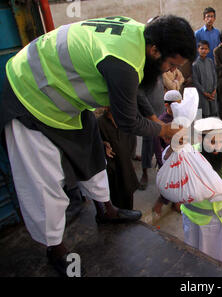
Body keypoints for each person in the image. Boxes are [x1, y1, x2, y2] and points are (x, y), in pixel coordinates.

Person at [0, 15, 196, 276]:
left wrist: (152, 119)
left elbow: (133, 89)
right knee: (43, 180)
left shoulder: (141, 36)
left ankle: (105, 209)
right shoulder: (123, 63)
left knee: (93, 152)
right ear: (155, 50)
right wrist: (162, 129)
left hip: (63, 98)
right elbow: (128, 121)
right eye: (170, 64)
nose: (169, 71)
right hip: (30, 96)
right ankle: (54, 247)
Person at [163, 117, 222, 270]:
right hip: (197, 221)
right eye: (212, 142)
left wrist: (201, 189)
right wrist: (171, 149)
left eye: (221, 141)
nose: (217, 148)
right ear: (200, 138)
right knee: (200, 256)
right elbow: (168, 162)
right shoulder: (188, 152)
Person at [151, 90, 183, 223]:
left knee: (180, 181)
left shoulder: (181, 118)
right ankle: (159, 203)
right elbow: (157, 145)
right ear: (167, 106)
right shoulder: (162, 122)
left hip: (180, 155)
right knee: (169, 183)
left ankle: (176, 203)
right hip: (167, 159)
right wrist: (161, 161)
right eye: (174, 106)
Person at [98, 107, 139, 210]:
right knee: (117, 193)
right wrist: (103, 146)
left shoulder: (125, 120)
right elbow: (93, 142)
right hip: (112, 165)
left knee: (129, 191)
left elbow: (132, 140)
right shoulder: (99, 123)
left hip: (126, 163)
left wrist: (130, 157)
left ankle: (130, 214)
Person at [137, 75, 165, 190]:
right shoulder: (145, 73)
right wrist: (151, 116)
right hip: (148, 117)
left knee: (161, 145)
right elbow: (140, 95)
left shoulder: (160, 74)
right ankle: (145, 173)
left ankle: (162, 169)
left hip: (161, 113)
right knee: (147, 146)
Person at [193, 40, 218, 118]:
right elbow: (195, 81)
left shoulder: (210, 61)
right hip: (202, 93)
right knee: (204, 111)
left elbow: (214, 76)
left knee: (213, 110)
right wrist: (204, 92)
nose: (204, 50)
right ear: (198, 49)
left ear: (209, 50)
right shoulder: (195, 64)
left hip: (212, 91)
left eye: (206, 49)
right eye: (202, 48)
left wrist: (214, 89)